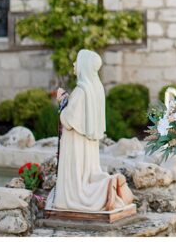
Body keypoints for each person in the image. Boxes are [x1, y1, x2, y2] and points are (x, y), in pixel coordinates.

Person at [47, 49, 135, 212]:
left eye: (77, 61)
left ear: (84, 65)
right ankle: (108, 184)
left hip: (76, 144)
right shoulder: (95, 88)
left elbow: (68, 120)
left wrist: (61, 100)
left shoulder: (81, 91)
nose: (74, 64)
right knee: (88, 173)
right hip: (88, 142)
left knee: (79, 183)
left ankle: (105, 186)